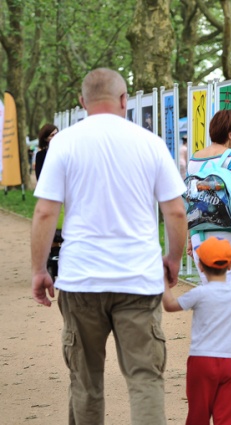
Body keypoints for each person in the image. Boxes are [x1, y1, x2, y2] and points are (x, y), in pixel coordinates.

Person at [31, 68, 187, 424]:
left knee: (86, 383)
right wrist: (173, 258)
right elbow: (176, 211)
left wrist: (40, 270)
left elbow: (44, 213)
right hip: (138, 279)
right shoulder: (150, 142)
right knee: (145, 379)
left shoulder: (64, 143)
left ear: (83, 102)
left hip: (81, 279)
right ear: (123, 99)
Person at [162, 236, 231, 425]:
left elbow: (170, 305)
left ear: (201, 266)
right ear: (229, 266)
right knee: (228, 418)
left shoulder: (199, 294)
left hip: (200, 362)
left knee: (198, 415)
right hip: (229, 363)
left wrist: (162, 279)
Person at [186, 109, 231, 385]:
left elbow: (189, 201)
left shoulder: (194, 159)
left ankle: (208, 362)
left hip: (200, 236)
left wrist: (189, 241)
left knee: (211, 300)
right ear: (230, 134)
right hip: (230, 236)